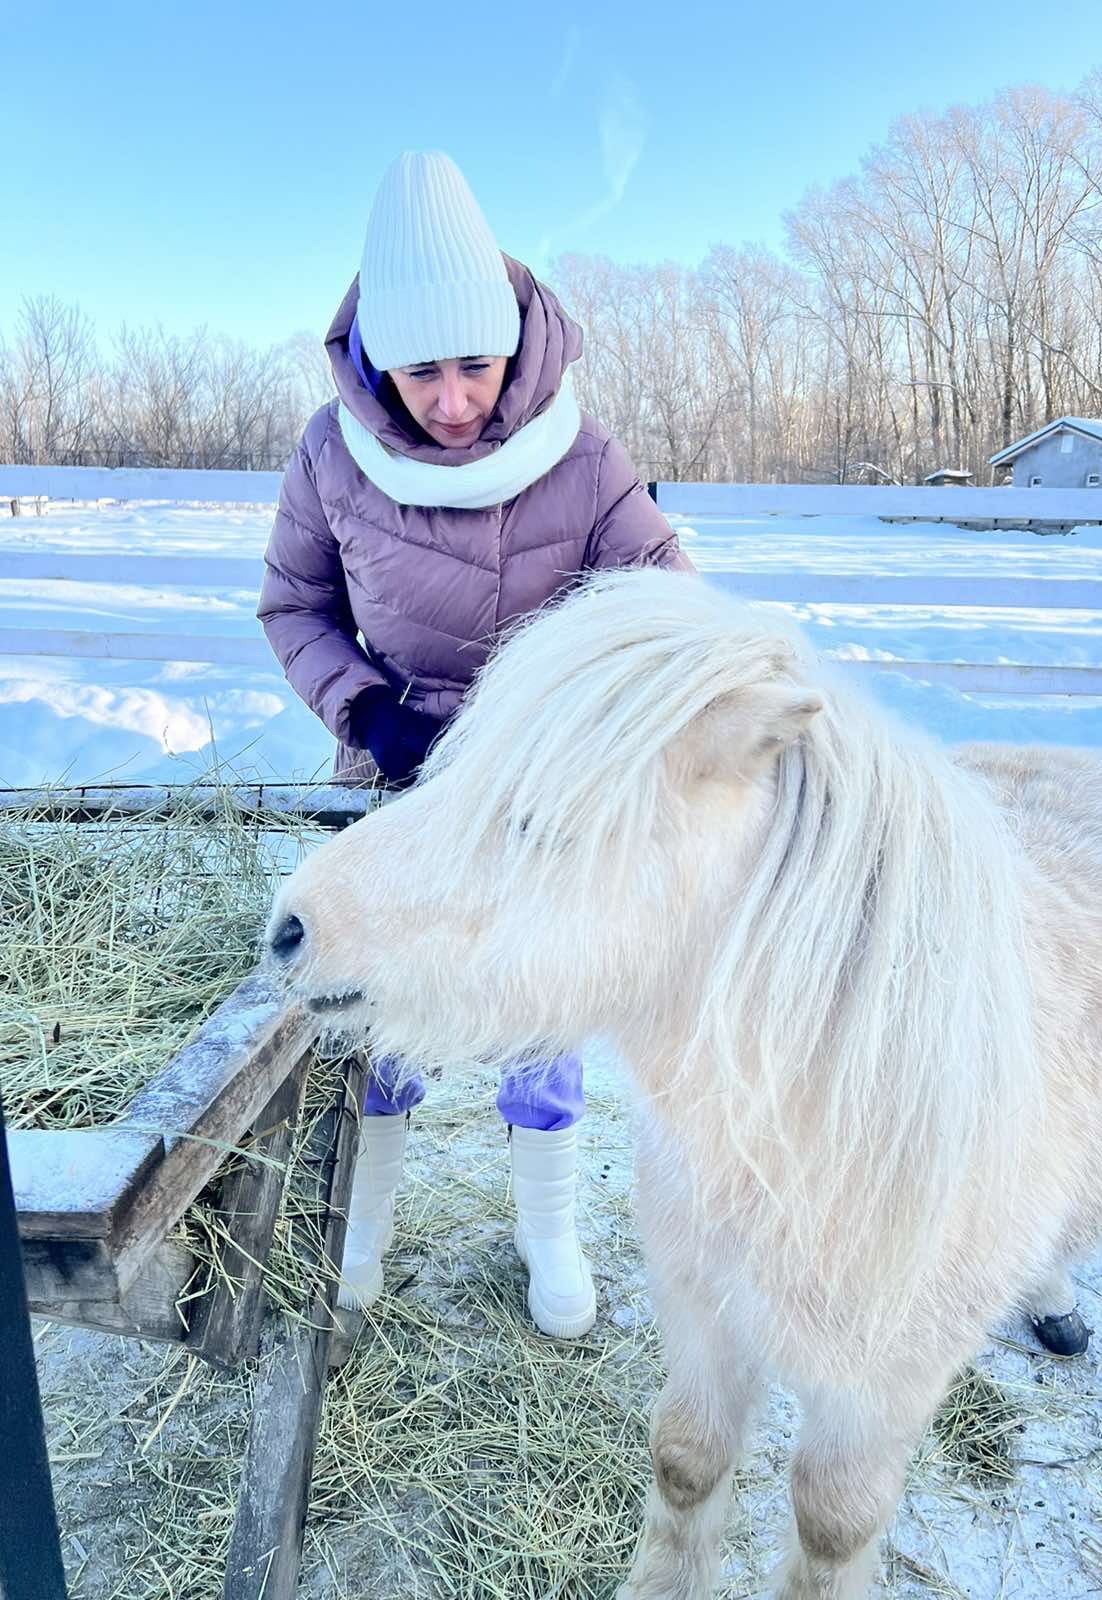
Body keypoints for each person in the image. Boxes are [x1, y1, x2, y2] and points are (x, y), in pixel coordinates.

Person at [258, 152, 692, 1341]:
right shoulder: (331, 454)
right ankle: (366, 1225)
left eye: (473, 364)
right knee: (378, 1003)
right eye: (420, 370)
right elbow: (293, 608)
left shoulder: (585, 457)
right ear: (376, 364)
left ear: (514, 343)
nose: (450, 399)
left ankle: (547, 1227)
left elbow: (668, 611)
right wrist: (367, 710)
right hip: (396, 774)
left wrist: (568, 731)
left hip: (536, 795)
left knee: (534, 1007)